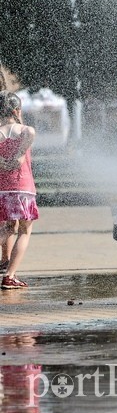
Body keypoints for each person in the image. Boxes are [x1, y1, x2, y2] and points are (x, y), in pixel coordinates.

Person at [0, 92, 38, 289]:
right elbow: (19, 160)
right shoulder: (26, 131)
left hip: (2, 189)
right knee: (24, 230)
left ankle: (6, 269)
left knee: (7, 228)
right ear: (16, 110)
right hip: (22, 187)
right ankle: (10, 276)